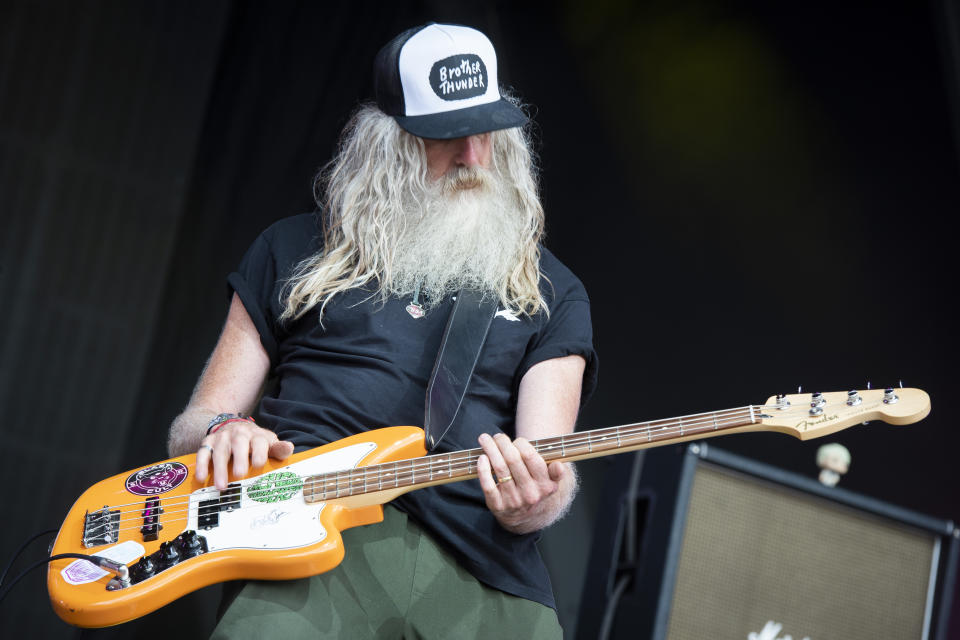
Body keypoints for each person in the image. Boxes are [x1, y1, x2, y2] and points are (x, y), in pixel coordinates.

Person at [167, 22, 597, 639]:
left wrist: (536, 502)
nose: (474, 157)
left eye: (487, 132)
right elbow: (194, 422)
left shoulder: (550, 291)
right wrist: (220, 431)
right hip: (311, 537)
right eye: (448, 136)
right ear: (385, 142)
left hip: (483, 567)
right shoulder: (291, 250)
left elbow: (550, 469)